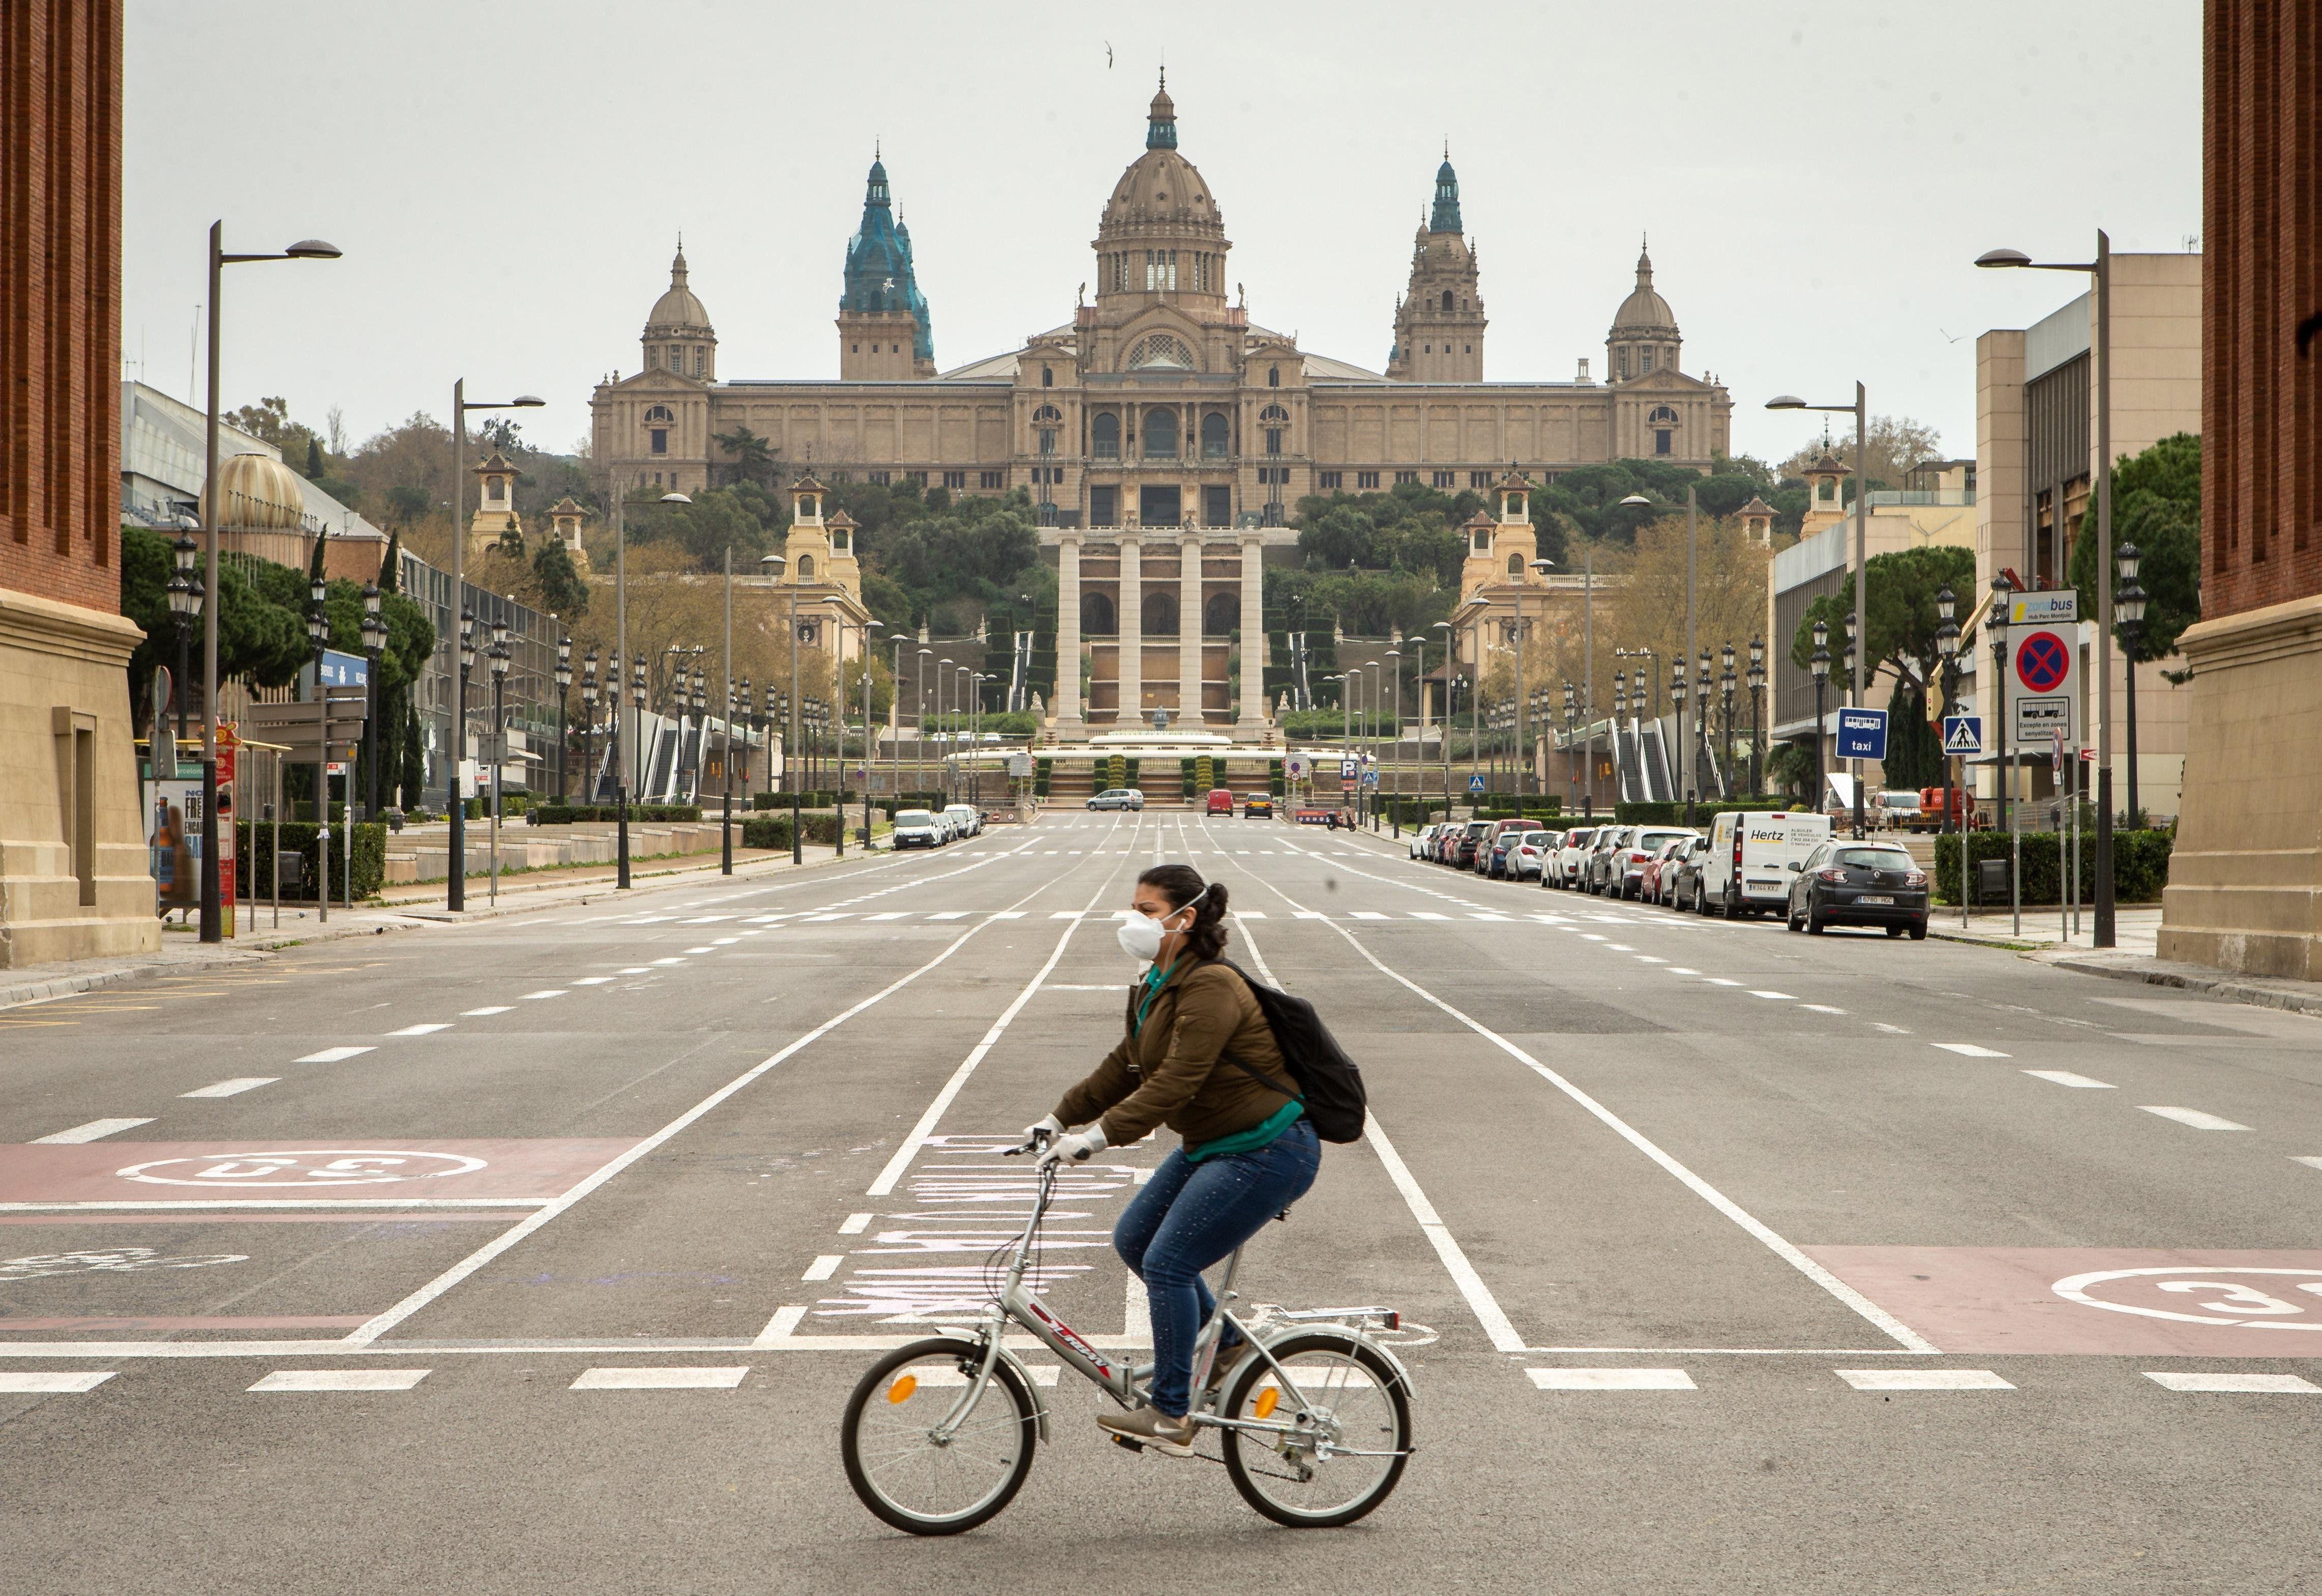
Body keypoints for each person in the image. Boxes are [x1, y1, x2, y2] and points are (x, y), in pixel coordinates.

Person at [1025, 864, 1318, 1454]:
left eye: (1149, 911)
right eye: (1135, 907)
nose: (1135, 921)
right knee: (1134, 1239)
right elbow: (1125, 1064)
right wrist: (1058, 1118)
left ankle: (1172, 1412)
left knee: (1169, 1262)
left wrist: (1098, 1137)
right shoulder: (1156, 979)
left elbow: (1178, 1082)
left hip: (1268, 1147)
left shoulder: (1210, 986)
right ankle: (1227, 1346)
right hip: (1214, 1143)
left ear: (1186, 919)